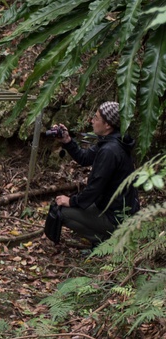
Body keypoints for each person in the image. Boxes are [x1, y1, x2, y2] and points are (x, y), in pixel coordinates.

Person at [53, 101, 140, 244]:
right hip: (115, 208)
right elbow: (85, 157)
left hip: (116, 217)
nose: (92, 121)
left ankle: (105, 241)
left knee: (61, 212)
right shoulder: (113, 141)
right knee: (74, 204)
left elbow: (94, 188)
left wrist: (71, 201)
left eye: (96, 118)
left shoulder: (109, 151)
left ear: (107, 125)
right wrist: (67, 141)